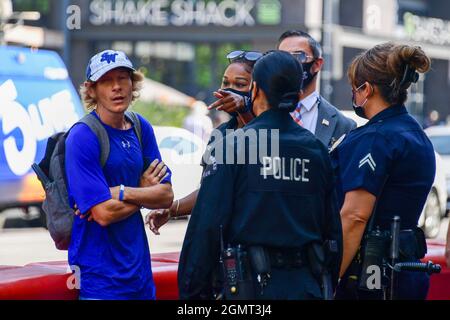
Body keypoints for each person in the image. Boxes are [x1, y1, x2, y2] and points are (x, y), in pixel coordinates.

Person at [177, 50, 342, 300]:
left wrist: (192, 296)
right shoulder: (316, 149)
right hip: (307, 286)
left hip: (250, 288)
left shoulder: (234, 145)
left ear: (256, 90)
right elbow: (332, 230)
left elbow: (206, 228)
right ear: (298, 93)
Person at [65, 50, 174, 300]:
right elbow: (103, 214)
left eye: (123, 78)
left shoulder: (140, 127)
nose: (117, 87)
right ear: (91, 90)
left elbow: (166, 195)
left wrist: (123, 191)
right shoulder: (82, 136)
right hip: (100, 282)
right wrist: (143, 189)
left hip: (141, 277)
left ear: (132, 84)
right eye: (106, 81)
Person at [332, 43, 435, 300]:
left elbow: (355, 216)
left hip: (370, 278)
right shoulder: (417, 134)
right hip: (404, 272)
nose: (353, 95)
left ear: (366, 89)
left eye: (354, 88)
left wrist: (328, 282)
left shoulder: (376, 138)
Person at [146, 50, 261, 234]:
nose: (228, 90)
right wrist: (171, 210)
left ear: (257, 90)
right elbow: (208, 189)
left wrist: (245, 110)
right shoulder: (221, 133)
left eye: (239, 84)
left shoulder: (271, 134)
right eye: (225, 83)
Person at [277, 30, 356, 149]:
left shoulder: (344, 125)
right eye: (282, 57)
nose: (289, 63)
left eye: (298, 56)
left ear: (317, 64)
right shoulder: (259, 113)